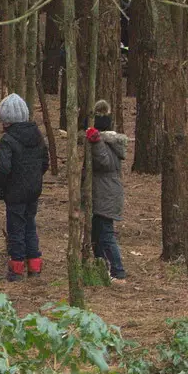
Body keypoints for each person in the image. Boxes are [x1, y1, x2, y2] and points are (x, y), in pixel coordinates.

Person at [0, 93, 48, 281]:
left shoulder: (7, 140)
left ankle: (16, 269)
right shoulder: (38, 136)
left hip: (15, 192)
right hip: (33, 190)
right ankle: (34, 266)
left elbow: (3, 168)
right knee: (30, 225)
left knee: (16, 229)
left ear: (6, 120)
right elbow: (44, 163)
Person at [86, 99, 128, 281]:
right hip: (104, 194)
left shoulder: (105, 143)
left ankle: (118, 271)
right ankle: (100, 267)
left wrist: (95, 143)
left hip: (106, 196)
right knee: (98, 234)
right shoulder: (111, 142)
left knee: (106, 234)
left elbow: (103, 162)